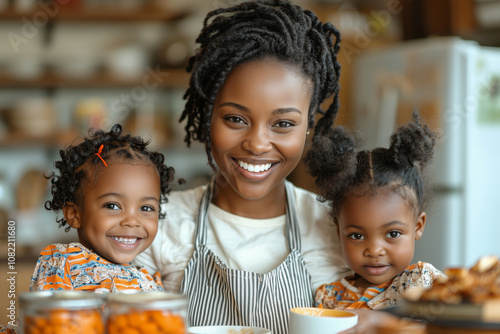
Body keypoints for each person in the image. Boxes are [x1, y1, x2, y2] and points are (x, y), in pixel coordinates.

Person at [133, 1, 350, 333]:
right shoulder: (157, 224)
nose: (257, 144)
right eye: (235, 119)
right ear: (208, 117)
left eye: (283, 124)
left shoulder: (333, 226)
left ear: (308, 127)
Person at [306, 111, 445, 312]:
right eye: (356, 235)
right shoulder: (329, 298)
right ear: (338, 231)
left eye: (393, 234)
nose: (374, 250)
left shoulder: (424, 283)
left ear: (418, 226)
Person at [30, 124, 175, 293]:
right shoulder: (63, 264)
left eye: (146, 208)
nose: (132, 221)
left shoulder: (147, 280)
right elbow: (51, 317)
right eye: (112, 206)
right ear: (74, 214)